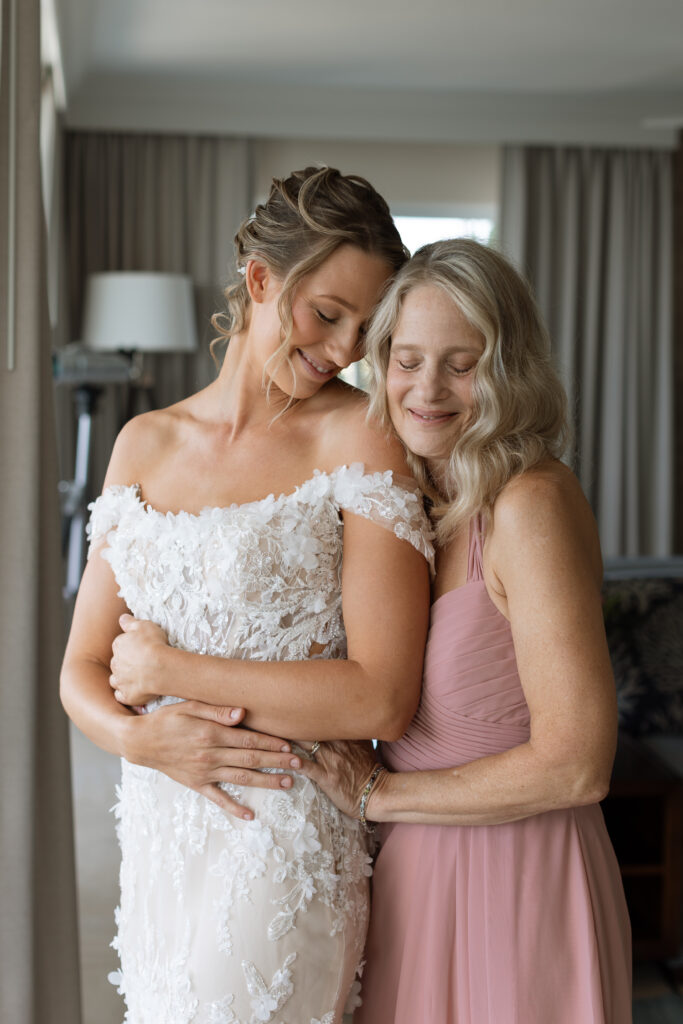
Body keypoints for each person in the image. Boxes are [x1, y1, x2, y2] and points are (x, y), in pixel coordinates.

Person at [60, 166, 434, 1024]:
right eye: (326, 314)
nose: (344, 349)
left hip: (280, 839)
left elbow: (381, 693)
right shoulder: (142, 443)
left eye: (363, 328)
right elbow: (79, 667)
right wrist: (138, 738)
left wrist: (170, 667)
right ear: (263, 280)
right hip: (160, 833)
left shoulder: (362, 435)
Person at [299, 238, 632, 1023]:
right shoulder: (406, 503)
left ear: (509, 368)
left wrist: (378, 793)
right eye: (407, 359)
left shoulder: (530, 504)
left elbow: (577, 765)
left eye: (461, 362)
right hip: (414, 874)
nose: (427, 389)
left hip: (521, 874)